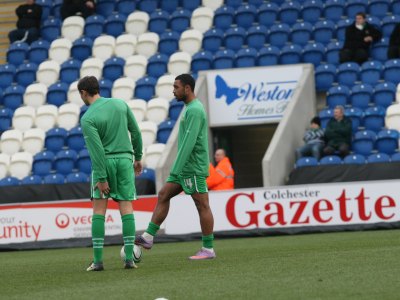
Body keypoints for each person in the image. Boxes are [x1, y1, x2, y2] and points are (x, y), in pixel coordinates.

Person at [135, 74, 216, 260]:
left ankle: (208, 249)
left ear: (187, 88)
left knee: (202, 204)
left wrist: (175, 169)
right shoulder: (190, 108)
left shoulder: (195, 110)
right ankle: (148, 237)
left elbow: (189, 143)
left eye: (176, 87)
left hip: (192, 168)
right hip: (184, 168)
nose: (173, 90)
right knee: (163, 195)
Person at [79, 76, 143, 271]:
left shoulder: (88, 118)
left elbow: (96, 150)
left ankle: (98, 261)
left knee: (99, 211)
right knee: (126, 208)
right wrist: (138, 157)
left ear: (83, 93)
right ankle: (129, 260)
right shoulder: (120, 104)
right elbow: (136, 132)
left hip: (104, 163)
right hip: (125, 161)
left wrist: (100, 177)